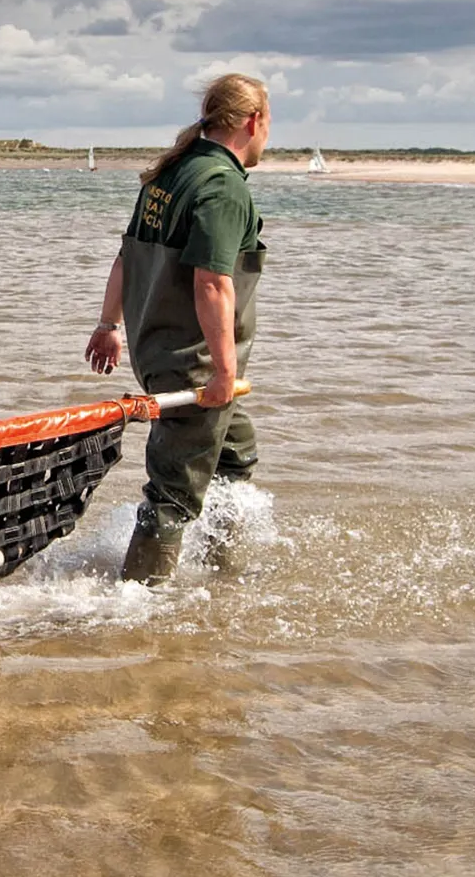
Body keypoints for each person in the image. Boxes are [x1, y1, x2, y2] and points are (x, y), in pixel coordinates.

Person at [84, 74, 267, 586]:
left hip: (157, 349)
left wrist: (108, 325)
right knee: (173, 491)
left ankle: (222, 572)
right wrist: (224, 371)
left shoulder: (170, 173)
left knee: (235, 454)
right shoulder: (222, 185)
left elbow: (126, 256)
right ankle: (136, 603)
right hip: (195, 363)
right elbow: (212, 283)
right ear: (253, 123)